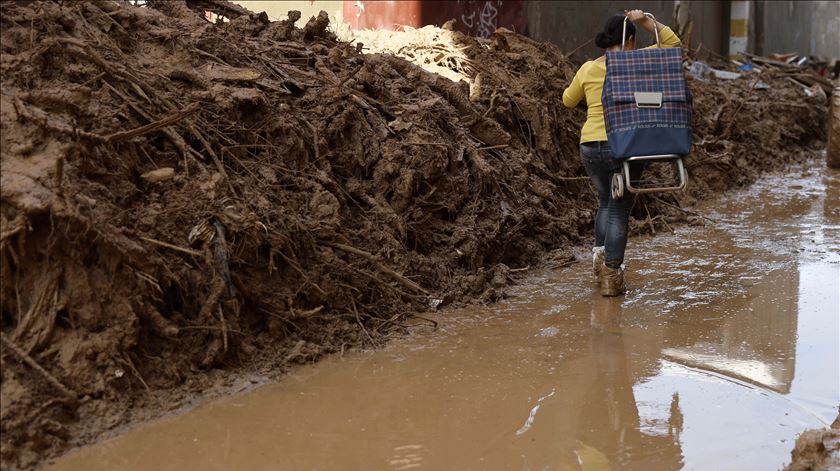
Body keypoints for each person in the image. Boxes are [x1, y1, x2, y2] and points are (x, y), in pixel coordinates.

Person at [562, 10, 681, 296]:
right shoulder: (638, 61)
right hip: (625, 146)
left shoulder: (589, 68)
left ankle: (600, 262)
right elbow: (674, 44)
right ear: (630, 40)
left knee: (606, 200)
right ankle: (611, 276)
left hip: (590, 147)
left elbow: (567, 100)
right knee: (619, 209)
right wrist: (645, 21)